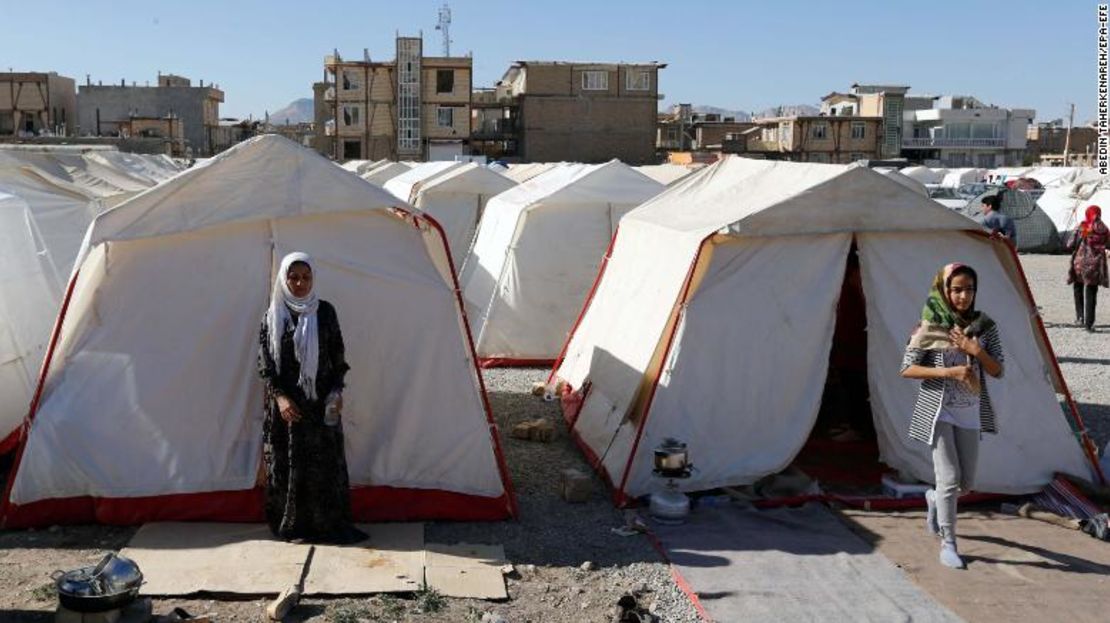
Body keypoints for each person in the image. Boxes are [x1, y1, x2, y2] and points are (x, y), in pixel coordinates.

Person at [258, 252, 366, 544]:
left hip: (321, 405)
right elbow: (266, 365)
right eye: (293, 277)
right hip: (288, 409)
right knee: (290, 466)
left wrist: (335, 393)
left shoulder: (325, 312)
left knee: (324, 466)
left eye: (306, 277)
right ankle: (295, 526)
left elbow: (338, 358)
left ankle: (328, 526)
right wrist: (280, 398)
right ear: (283, 278)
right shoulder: (273, 316)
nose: (299, 283)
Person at [901, 264, 1004, 569]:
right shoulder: (929, 326)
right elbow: (906, 368)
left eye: (969, 289)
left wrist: (976, 350)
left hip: (970, 412)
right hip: (939, 411)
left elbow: (998, 370)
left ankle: (933, 500)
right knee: (949, 479)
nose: (962, 296)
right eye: (956, 289)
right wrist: (948, 370)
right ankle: (949, 543)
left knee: (966, 484)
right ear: (944, 290)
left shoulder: (985, 326)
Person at [1067, 205, 1109, 332]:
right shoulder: (1105, 229)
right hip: (1095, 265)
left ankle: (1080, 317)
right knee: (1091, 292)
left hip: (1080, 263)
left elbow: (1069, 244)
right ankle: (1089, 324)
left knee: (1078, 287)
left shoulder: (1083, 227)